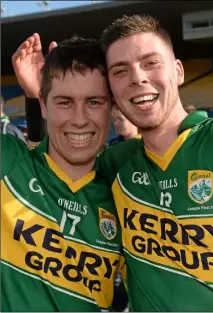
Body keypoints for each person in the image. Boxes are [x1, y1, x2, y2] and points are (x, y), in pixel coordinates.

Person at [12, 14, 213, 312]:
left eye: (151, 63)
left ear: (178, 71)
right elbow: (49, 165)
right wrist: (36, 96)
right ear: (113, 96)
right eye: (120, 70)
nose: (137, 77)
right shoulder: (116, 164)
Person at [2, 36, 126, 312]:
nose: (79, 119)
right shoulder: (7, 164)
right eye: (64, 102)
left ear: (113, 108)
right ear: (43, 105)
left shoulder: (130, 194)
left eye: (94, 102)